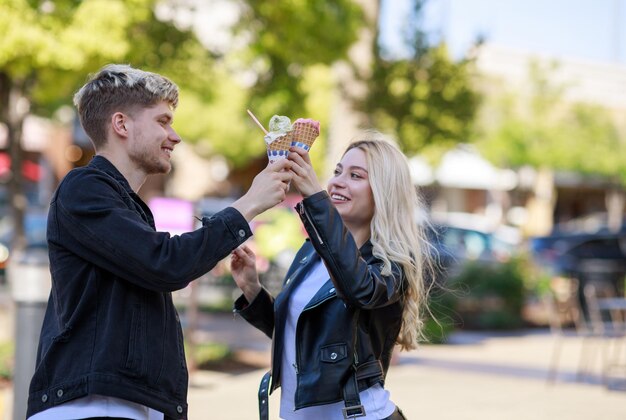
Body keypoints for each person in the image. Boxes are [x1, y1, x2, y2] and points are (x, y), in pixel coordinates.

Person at [26, 64, 292, 420]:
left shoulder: (125, 206)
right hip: (92, 407)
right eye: (163, 121)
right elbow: (166, 263)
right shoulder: (83, 188)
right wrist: (249, 203)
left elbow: (162, 263)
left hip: (120, 405)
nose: (175, 136)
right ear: (121, 124)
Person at [231, 134, 432, 419]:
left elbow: (358, 289)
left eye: (355, 175)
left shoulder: (392, 265)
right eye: (337, 171)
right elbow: (297, 334)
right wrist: (252, 289)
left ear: (383, 191)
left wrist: (315, 197)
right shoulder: (312, 252)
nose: (337, 181)